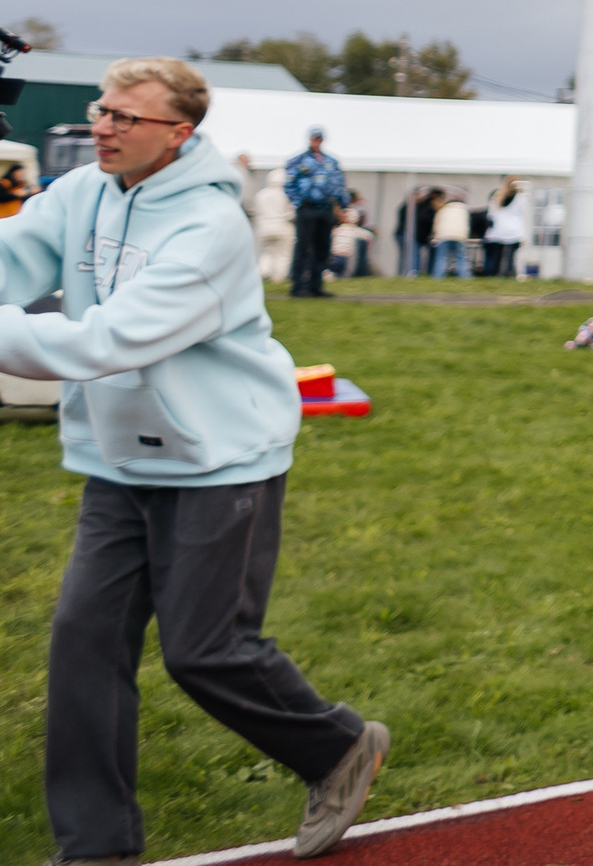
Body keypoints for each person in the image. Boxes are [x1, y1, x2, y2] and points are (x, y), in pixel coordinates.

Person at [0, 58, 388, 861]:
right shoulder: (79, 193)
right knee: (83, 647)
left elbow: (109, 342)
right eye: (101, 110)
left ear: (178, 134)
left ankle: (336, 748)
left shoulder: (209, 228)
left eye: (124, 118)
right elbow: (11, 258)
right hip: (119, 460)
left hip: (221, 458)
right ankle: (96, 845)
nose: (103, 126)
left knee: (206, 649)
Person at [282, 126, 348, 298]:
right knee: (303, 247)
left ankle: (315, 285)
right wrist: (299, 203)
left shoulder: (330, 162)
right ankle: (298, 285)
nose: (317, 141)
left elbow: (339, 184)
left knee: (322, 248)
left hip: (326, 209)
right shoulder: (298, 161)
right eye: (314, 138)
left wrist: (342, 206)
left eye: (319, 138)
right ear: (309, 139)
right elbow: (289, 184)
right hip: (307, 208)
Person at [252, 166, 295, 285]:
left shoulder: (261, 194)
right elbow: (290, 213)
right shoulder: (286, 194)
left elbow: (256, 212)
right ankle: (278, 277)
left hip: (264, 227)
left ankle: (263, 272)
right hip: (282, 227)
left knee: (267, 251)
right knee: (283, 255)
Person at [483, 178, 526, 279]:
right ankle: (510, 274)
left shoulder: (497, 198)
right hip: (514, 231)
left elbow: (490, 215)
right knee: (511, 256)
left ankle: (497, 275)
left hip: (499, 231)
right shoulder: (520, 198)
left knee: (498, 256)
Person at [429, 188, 472, 279]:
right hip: (460, 236)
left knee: (441, 257)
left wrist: (434, 235)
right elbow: (467, 223)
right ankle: (464, 277)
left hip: (444, 236)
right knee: (461, 258)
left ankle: (438, 277)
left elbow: (436, 223)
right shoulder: (463, 210)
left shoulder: (442, 209)